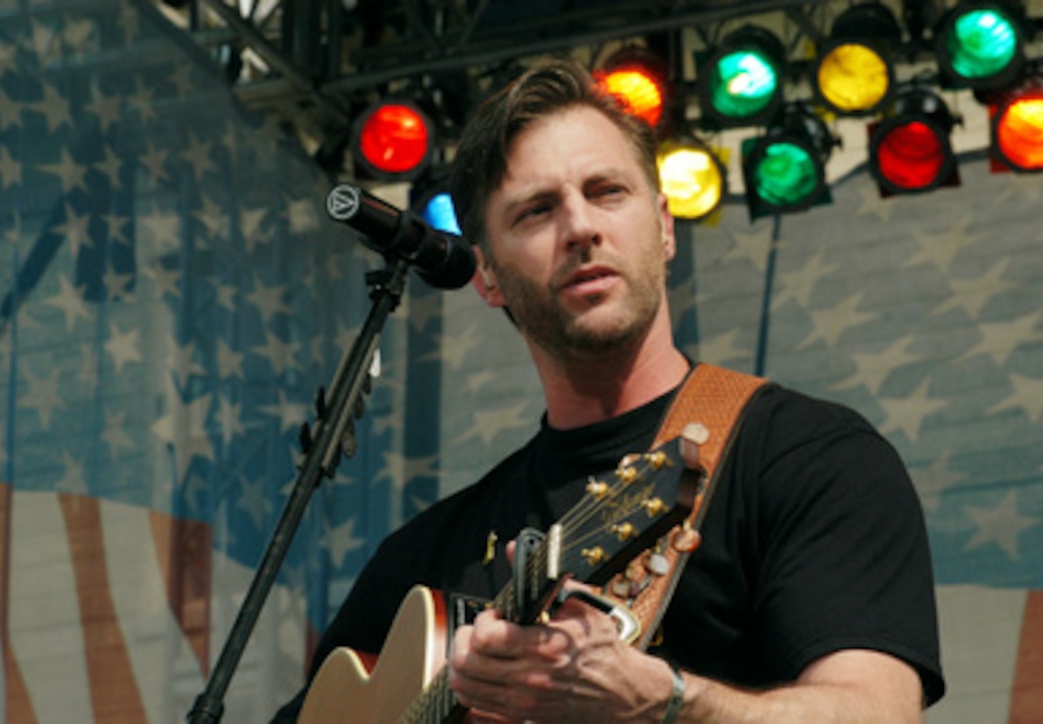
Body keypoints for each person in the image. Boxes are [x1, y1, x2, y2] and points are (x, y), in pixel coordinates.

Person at [272, 56, 944, 722]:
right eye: (536, 211)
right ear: (487, 277)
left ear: (665, 227)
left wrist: (664, 699)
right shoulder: (423, 561)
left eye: (607, 192)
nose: (581, 227)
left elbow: (877, 713)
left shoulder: (806, 459)